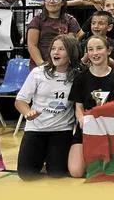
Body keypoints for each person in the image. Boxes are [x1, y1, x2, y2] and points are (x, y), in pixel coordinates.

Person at [15, 34, 81, 180]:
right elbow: (20, 100)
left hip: (61, 131)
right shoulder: (38, 73)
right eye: (53, 49)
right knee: (26, 175)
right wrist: (27, 112)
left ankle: (51, 160)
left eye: (61, 49)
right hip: (36, 129)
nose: (55, 52)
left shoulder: (77, 76)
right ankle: (41, 158)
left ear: (71, 53)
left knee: (58, 173)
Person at [68, 35, 114, 177]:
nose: (95, 53)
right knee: (76, 172)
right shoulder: (81, 78)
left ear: (108, 51)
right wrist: (82, 120)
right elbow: (78, 107)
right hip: (87, 130)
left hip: (111, 131)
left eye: (99, 48)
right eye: (90, 50)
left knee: (112, 172)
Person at [27, 0, 82, 70]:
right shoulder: (37, 20)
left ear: (63, 2)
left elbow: (71, 46)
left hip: (62, 66)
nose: (51, 1)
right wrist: (41, 65)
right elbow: (32, 45)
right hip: (40, 66)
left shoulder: (70, 21)